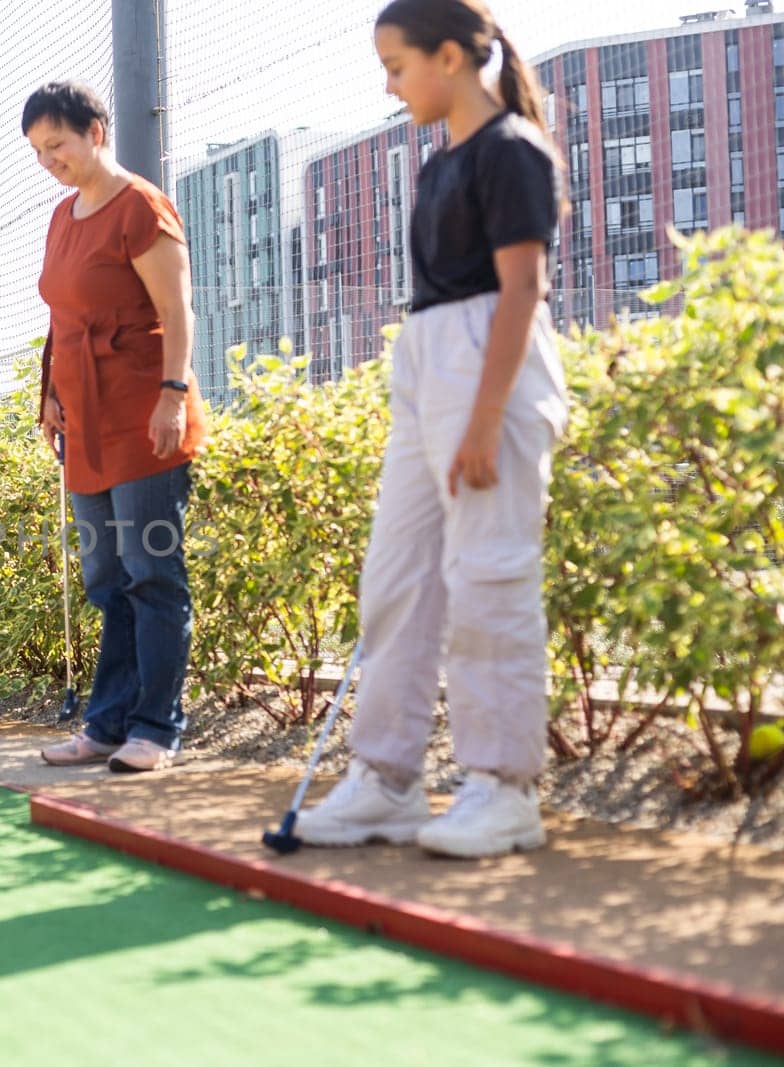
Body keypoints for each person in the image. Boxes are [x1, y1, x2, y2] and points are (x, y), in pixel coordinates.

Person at [298, 0, 569, 857]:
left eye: (397, 65)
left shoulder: (513, 151)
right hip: (426, 355)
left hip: (491, 360)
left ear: (449, 56)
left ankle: (503, 786)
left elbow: (522, 289)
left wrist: (485, 418)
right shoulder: (433, 165)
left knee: (488, 571)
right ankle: (387, 781)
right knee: (398, 577)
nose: (390, 84)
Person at [24, 82, 210, 774]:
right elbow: (61, 314)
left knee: (152, 571)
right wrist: (49, 395)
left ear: (96, 131)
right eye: (39, 151)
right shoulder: (61, 215)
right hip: (84, 420)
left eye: (59, 145)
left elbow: (178, 309)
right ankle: (106, 722)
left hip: (142, 414)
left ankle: (155, 728)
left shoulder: (140, 206)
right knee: (106, 574)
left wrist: (170, 394)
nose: (50, 160)